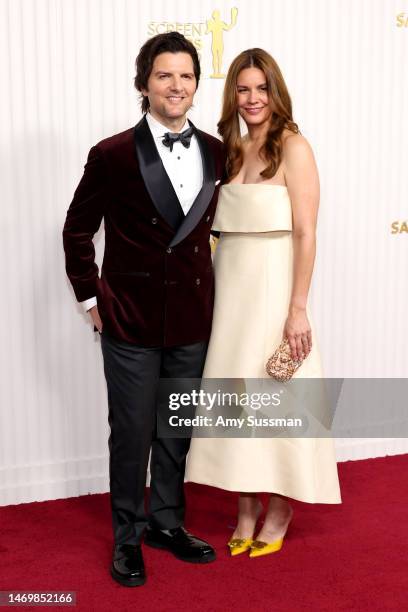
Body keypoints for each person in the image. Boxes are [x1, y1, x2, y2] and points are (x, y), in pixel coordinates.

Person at [62, 32, 225, 586]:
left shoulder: (217, 150)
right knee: (131, 433)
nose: (175, 85)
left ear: (196, 85)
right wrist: (90, 299)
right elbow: (78, 230)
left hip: (191, 320)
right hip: (129, 320)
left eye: (185, 76)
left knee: (175, 429)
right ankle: (128, 537)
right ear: (144, 84)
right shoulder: (110, 154)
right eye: (164, 75)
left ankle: (166, 523)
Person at [185, 48, 342, 558]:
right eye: (243, 88)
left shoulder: (294, 146)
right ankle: (245, 507)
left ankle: (279, 508)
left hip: (275, 286)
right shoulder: (230, 148)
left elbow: (306, 231)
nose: (253, 99)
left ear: (276, 91)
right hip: (230, 286)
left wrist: (298, 308)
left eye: (262, 88)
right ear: (232, 93)